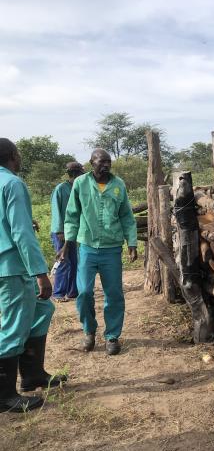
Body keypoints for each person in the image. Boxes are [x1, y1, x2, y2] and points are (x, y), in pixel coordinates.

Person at [0, 138, 64, 412]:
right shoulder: (12, 183)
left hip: (8, 265)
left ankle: (32, 374)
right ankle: (4, 396)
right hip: (12, 267)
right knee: (13, 326)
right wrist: (40, 273)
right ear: (13, 155)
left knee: (42, 309)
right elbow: (22, 234)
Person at [59, 149, 137, 356]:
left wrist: (132, 243)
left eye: (109, 161)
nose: (106, 165)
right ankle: (89, 330)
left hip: (111, 248)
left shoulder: (118, 185)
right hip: (87, 247)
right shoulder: (80, 184)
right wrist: (67, 243)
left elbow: (126, 216)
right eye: (102, 161)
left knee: (114, 294)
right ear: (91, 163)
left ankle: (112, 336)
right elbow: (72, 215)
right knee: (84, 292)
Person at [50, 161, 84, 302]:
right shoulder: (60, 189)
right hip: (61, 233)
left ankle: (72, 292)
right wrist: (59, 231)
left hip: (73, 231)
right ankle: (58, 293)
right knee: (63, 261)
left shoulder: (79, 187)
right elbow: (56, 210)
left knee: (74, 261)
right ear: (75, 174)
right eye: (81, 173)